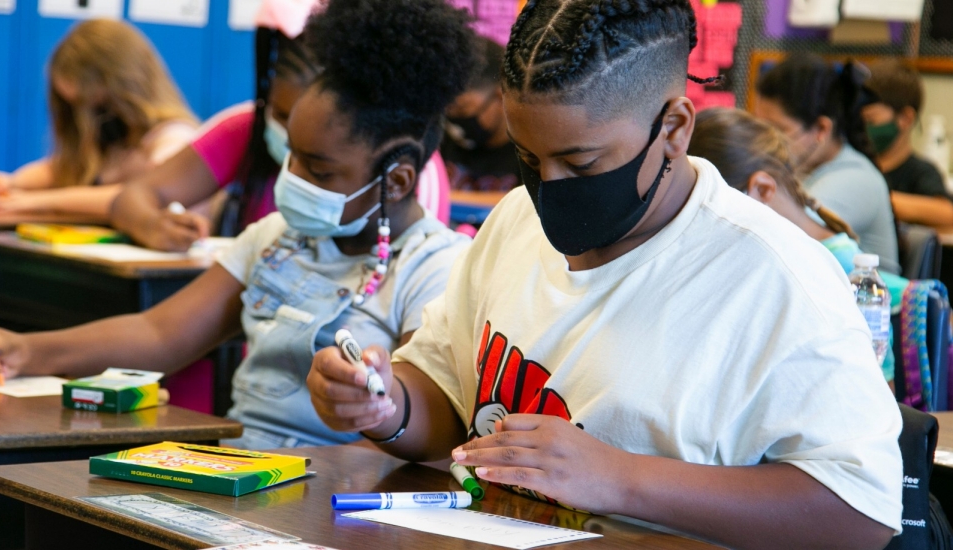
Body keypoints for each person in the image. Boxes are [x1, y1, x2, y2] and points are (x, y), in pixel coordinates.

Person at [306, 1, 902, 548]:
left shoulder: (774, 276)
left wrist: (619, 479)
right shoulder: (517, 220)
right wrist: (386, 406)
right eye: (529, 158)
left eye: (581, 161)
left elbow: (861, 513)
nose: (550, 188)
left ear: (673, 129)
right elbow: (447, 397)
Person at [0, 0, 475, 450]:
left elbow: (430, 410)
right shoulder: (275, 240)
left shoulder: (437, 268)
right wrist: (25, 351)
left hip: (346, 493)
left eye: (318, 169)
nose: (292, 178)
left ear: (399, 179)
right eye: (290, 156)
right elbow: (158, 333)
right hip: (241, 469)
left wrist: (382, 403)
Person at [109, 0, 453, 252]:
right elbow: (135, 196)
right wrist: (152, 224)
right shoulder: (245, 132)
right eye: (280, 113)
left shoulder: (412, 175)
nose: (293, 167)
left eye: (318, 169)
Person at [689, 107, 906, 385]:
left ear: (763, 190)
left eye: (709, 210)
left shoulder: (841, 271)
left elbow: (878, 390)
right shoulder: (759, 256)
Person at [0, 19, 198, 219]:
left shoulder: (173, 137)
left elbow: (145, 195)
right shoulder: (114, 144)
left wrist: (38, 201)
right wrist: (9, 184)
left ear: (125, 90)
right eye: (74, 107)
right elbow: (62, 168)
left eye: (97, 106)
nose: (91, 120)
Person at [755, 54, 900, 275]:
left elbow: (784, 234)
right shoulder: (801, 167)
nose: (764, 140)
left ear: (822, 129)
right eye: (759, 127)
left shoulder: (855, 179)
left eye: (778, 130)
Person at [863, 59, 953, 227]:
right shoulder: (858, 164)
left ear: (905, 118)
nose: (863, 128)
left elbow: (947, 213)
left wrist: (874, 200)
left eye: (871, 120)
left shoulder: (920, 173)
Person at [441, 36, 519, 192]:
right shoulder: (441, 141)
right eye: (448, 108)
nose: (454, 118)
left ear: (500, 97)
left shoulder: (530, 155)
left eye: (462, 108)